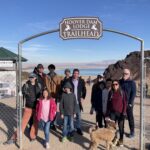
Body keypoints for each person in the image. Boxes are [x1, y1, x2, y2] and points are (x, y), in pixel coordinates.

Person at [7, 73, 41, 144]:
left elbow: (42, 94)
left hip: (37, 108)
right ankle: (14, 138)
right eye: (30, 77)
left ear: (35, 78)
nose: (31, 78)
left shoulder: (39, 85)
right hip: (28, 107)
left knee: (35, 124)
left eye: (32, 77)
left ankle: (33, 137)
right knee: (23, 123)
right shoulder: (26, 85)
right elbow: (21, 93)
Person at [107, 80, 127, 147]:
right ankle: (114, 139)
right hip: (112, 113)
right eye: (113, 84)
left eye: (116, 84)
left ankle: (121, 140)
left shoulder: (122, 92)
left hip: (120, 113)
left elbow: (125, 103)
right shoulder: (111, 92)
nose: (114, 85)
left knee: (121, 128)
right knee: (113, 128)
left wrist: (124, 113)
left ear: (118, 85)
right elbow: (108, 103)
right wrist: (107, 113)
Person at [120, 68, 136, 138]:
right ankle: (121, 131)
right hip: (121, 103)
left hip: (129, 104)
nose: (124, 75)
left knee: (130, 118)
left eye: (126, 74)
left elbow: (133, 93)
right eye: (123, 73)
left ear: (129, 75)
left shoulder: (132, 83)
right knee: (121, 118)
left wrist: (130, 103)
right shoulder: (120, 82)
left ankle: (132, 131)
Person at [69, 69, 86, 135]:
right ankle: (72, 129)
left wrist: (83, 97)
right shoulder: (69, 80)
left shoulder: (81, 81)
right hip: (71, 101)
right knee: (71, 116)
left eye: (77, 73)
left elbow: (84, 89)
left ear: (78, 74)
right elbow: (64, 88)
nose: (75, 74)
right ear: (72, 73)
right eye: (74, 73)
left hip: (78, 102)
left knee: (79, 116)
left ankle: (78, 128)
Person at [45, 64, 62, 130]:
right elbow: (46, 86)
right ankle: (49, 123)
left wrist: (58, 95)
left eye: (52, 68)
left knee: (54, 110)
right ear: (49, 69)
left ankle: (53, 123)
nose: (51, 70)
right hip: (49, 96)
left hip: (55, 95)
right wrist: (48, 95)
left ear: (54, 69)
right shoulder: (47, 76)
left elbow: (59, 86)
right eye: (50, 68)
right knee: (48, 110)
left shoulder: (57, 76)